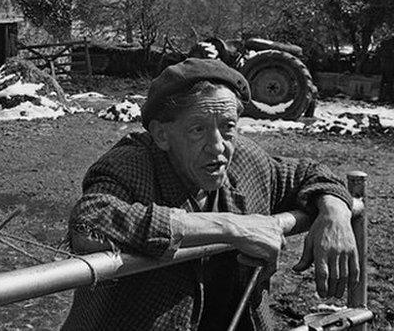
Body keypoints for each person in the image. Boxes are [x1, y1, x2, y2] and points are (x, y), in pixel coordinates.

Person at [61, 58, 357, 331]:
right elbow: (89, 221)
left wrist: (335, 212)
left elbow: (309, 173)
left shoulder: (245, 160)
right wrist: (231, 228)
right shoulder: (132, 164)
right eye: (198, 129)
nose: (217, 146)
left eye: (228, 127)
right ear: (162, 134)